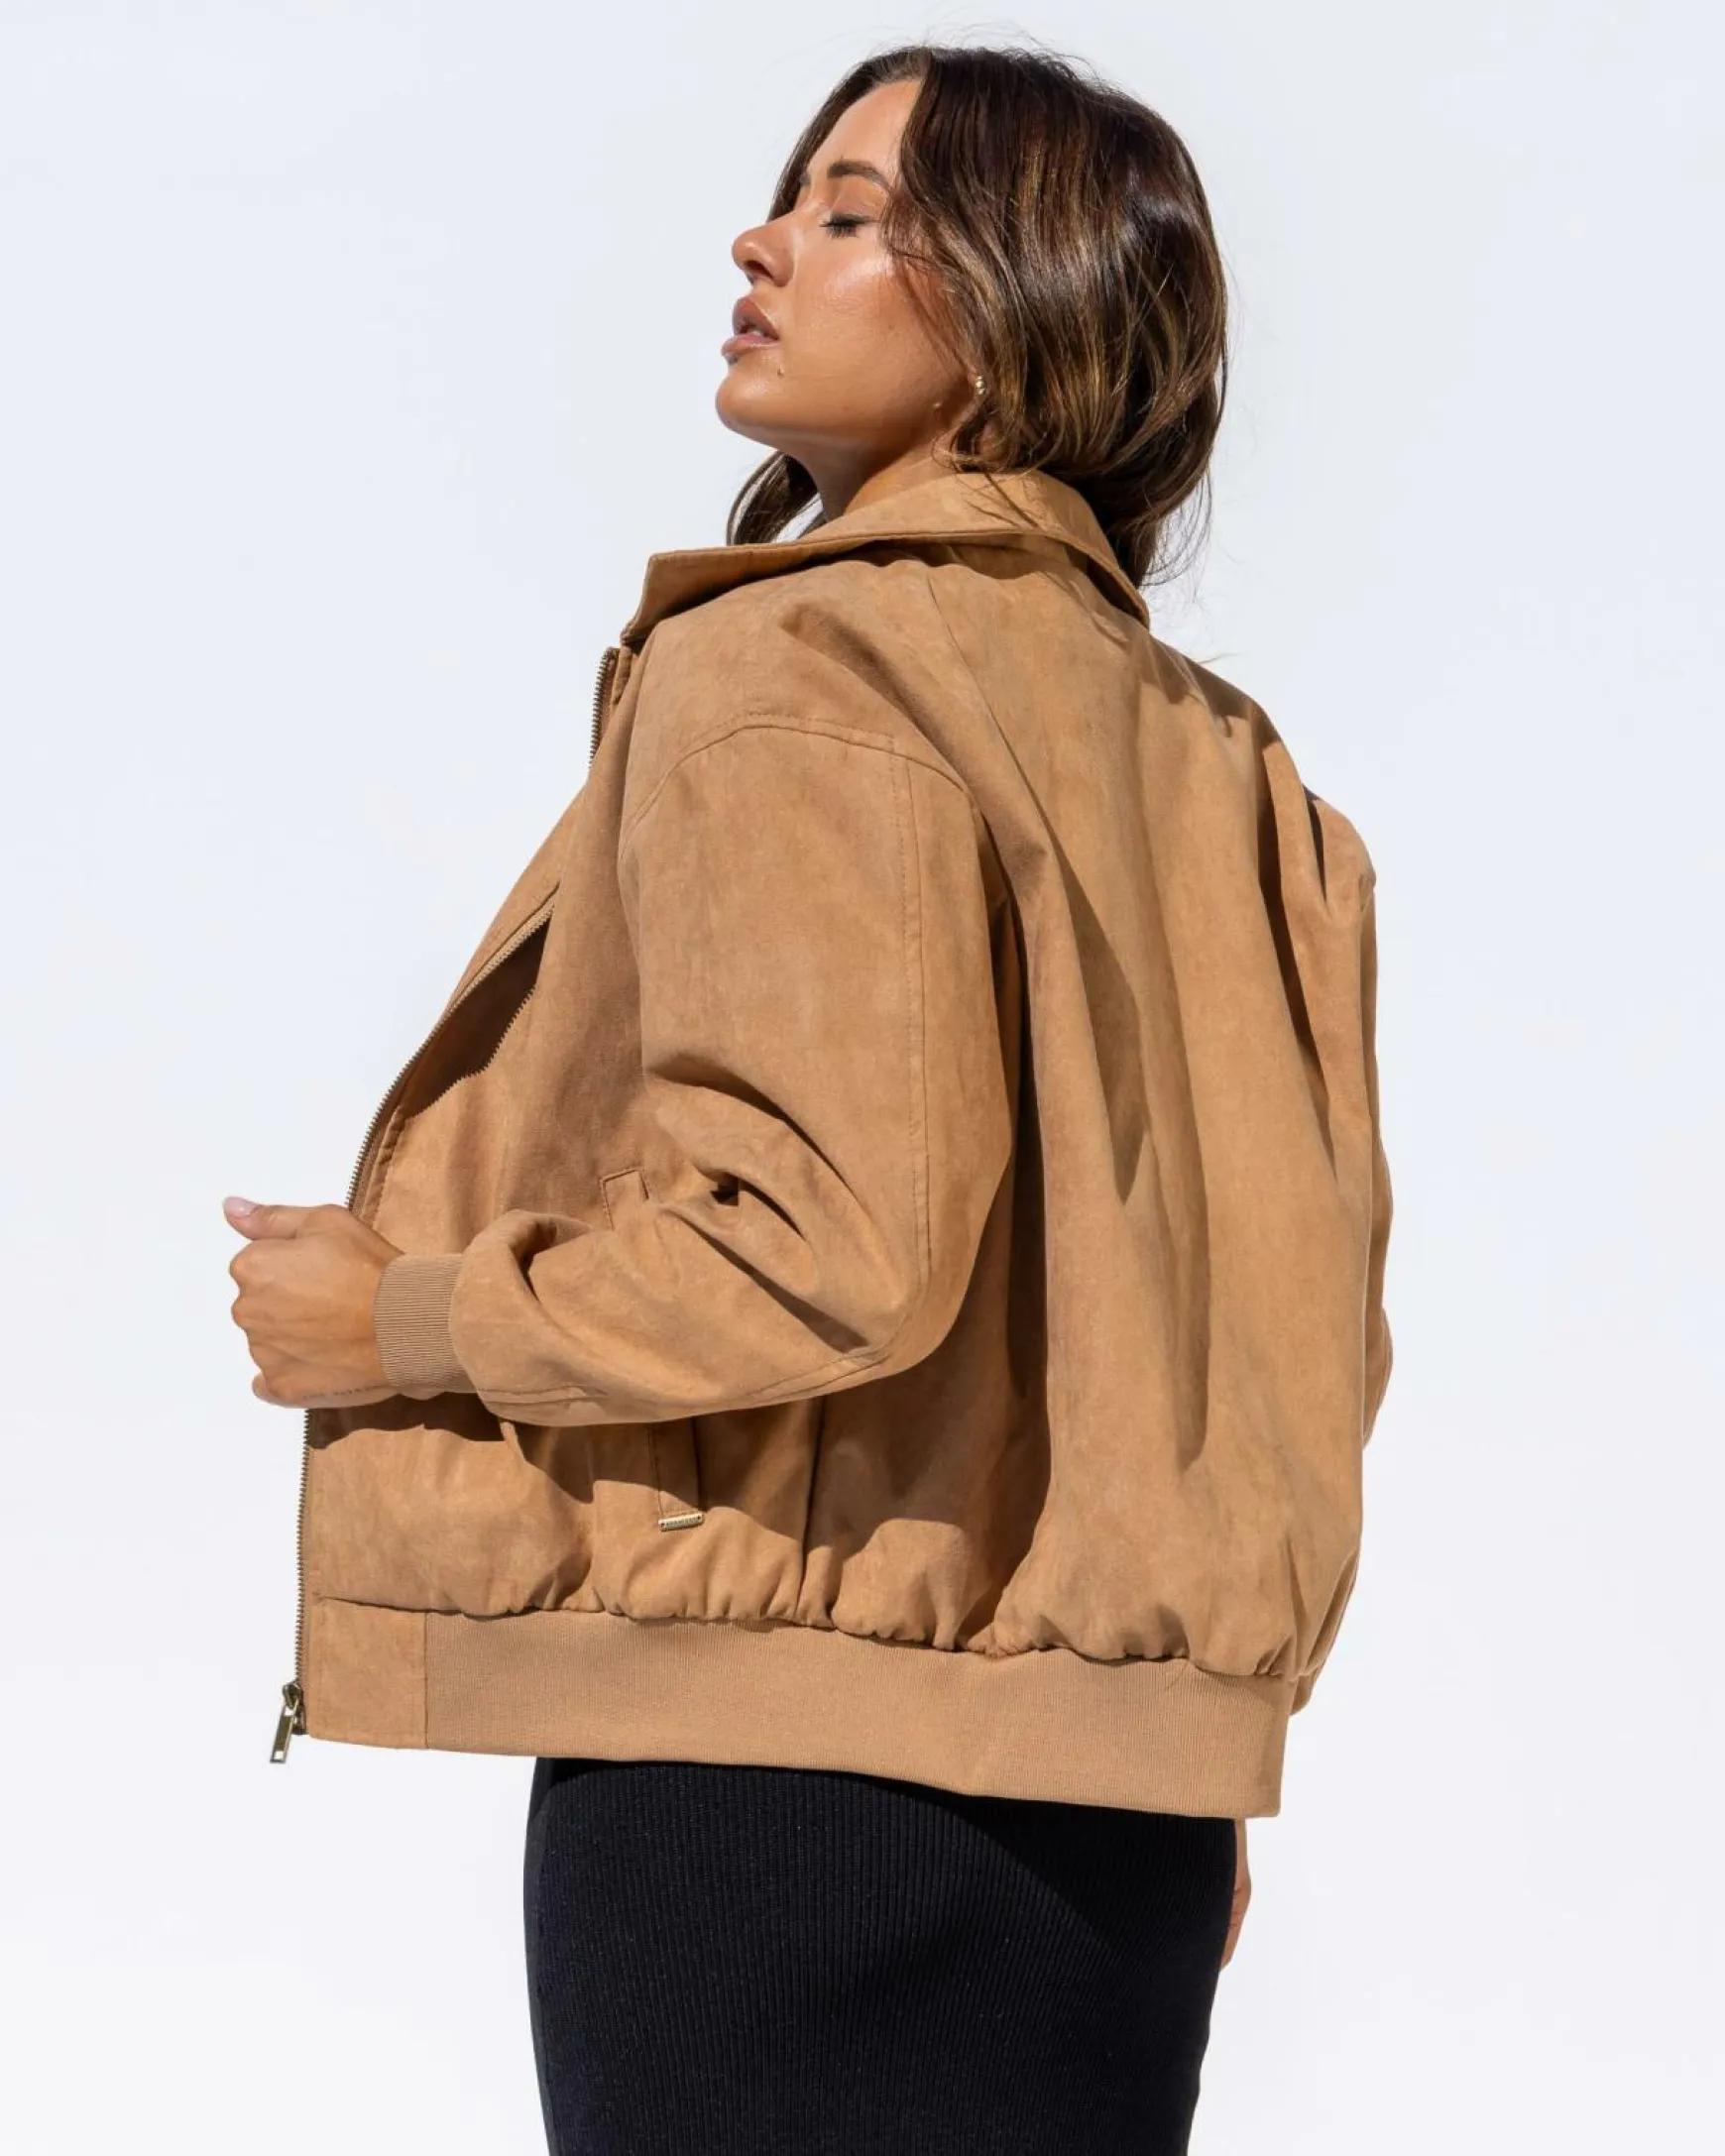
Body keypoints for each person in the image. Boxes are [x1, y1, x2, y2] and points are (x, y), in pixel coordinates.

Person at [224, 40, 1393, 2156]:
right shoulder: (1226, 764)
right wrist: (1179, 1736)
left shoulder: (799, 661)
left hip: (776, 1782)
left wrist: (396, 1319)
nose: (762, 243)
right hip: (1117, 1819)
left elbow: (829, 1245)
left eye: (854, 214)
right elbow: (1292, 1329)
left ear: (1026, 294)